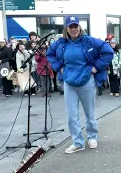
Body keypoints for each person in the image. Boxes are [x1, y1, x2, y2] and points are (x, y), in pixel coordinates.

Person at [47, 16, 113, 154]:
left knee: (89, 113)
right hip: (69, 83)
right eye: (70, 26)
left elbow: (108, 52)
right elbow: (50, 54)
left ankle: (92, 136)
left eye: (76, 26)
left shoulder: (89, 41)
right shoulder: (60, 43)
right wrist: (59, 67)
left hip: (86, 81)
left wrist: (95, 68)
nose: (74, 29)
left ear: (80, 27)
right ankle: (78, 143)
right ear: (66, 28)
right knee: (72, 115)